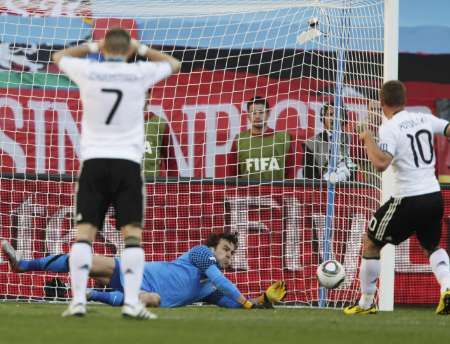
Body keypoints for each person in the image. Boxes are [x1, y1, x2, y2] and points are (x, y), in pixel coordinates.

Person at [52, 27, 181, 319]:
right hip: (127, 163)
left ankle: (78, 301)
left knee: (84, 235)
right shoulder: (138, 74)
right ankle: (132, 302)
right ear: (129, 51)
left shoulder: (88, 71)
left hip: (95, 162)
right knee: (132, 236)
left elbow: (58, 56)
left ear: (104, 48)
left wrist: (92, 47)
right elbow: (174, 64)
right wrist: (143, 50)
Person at [344, 80, 450, 315]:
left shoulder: (389, 128)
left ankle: (365, 303)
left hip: (409, 198)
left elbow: (381, 163)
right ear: (404, 99)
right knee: (431, 246)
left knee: (371, 242)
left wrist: (368, 138)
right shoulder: (424, 118)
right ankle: (447, 288)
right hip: (434, 195)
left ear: (382, 103)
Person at [1, 233, 286, 309]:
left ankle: (89, 294)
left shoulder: (209, 290)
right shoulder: (202, 254)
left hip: (144, 293)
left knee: (153, 301)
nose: (228, 255)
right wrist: (247, 303)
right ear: (213, 248)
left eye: (232, 253)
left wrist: (263, 302)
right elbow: (220, 281)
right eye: (225, 249)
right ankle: (23, 265)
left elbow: (228, 302)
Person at [227, 96, 296, 181]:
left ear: (268, 114)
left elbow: (290, 175)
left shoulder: (284, 139)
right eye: (253, 113)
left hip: (276, 194)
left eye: (261, 112)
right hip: (248, 194)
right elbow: (232, 176)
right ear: (248, 116)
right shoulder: (239, 140)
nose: (257, 116)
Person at [303, 101, 357, 182]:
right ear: (323, 118)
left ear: (344, 118)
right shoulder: (311, 143)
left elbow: (355, 170)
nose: (334, 118)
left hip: (348, 190)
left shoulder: (353, 141)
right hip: (323, 191)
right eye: (330, 114)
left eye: (337, 115)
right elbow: (309, 176)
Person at [143, 109, 178, 178]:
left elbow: (171, 162)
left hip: (152, 184)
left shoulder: (160, 124)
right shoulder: (119, 123)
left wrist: (174, 187)